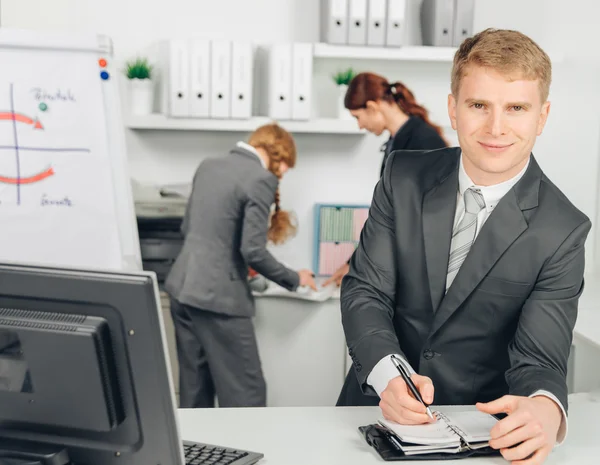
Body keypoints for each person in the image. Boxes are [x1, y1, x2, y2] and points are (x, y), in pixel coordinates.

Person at [338, 28, 590, 465]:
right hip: (372, 418)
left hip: (475, 437)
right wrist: (387, 372)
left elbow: (540, 356)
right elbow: (366, 290)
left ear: (542, 116)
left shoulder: (563, 228)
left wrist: (546, 411)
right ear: (453, 109)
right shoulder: (402, 176)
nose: (496, 128)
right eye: (478, 105)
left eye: (516, 108)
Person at [165, 123, 317, 409]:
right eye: (286, 164)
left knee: (195, 392)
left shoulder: (208, 165)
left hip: (182, 289)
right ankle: (248, 455)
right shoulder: (260, 178)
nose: (284, 172)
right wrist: (295, 278)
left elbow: (190, 228)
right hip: (218, 300)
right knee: (247, 394)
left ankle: (198, 455)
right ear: (276, 152)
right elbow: (253, 251)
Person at [323, 72, 448, 287]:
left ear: (372, 107)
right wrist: (354, 262)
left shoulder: (421, 141)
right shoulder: (397, 141)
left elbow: (405, 216)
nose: (360, 126)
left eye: (357, 117)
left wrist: (358, 263)